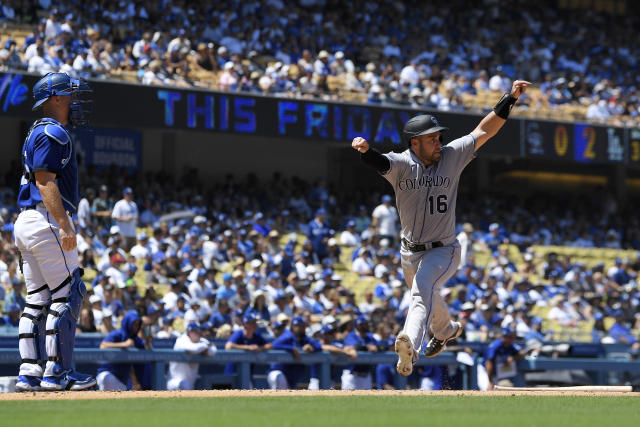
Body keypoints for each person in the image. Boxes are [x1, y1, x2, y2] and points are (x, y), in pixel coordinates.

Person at [352, 79, 531, 377]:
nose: (438, 142)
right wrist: (366, 151)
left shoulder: (452, 155)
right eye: (431, 139)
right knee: (428, 294)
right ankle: (446, 329)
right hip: (408, 252)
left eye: (438, 137)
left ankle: (409, 341)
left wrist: (509, 99)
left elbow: (484, 130)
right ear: (415, 143)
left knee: (421, 293)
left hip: (444, 249)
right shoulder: (400, 164)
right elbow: (379, 162)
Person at [12, 72, 96, 392]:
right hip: (46, 219)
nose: (75, 101)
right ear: (57, 99)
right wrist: (64, 224)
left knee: (36, 301)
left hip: (26, 221)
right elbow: (45, 179)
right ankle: (58, 372)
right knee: (66, 295)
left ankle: (30, 371)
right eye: (70, 95)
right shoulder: (53, 132)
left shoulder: (37, 130)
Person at [97, 310, 152, 390]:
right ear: (128, 323)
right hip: (107, 373)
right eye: (134, 324)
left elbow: (147, 352)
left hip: (122, 379)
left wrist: (147, 341)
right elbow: (103, 346)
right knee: (109, 379)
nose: (136, 326)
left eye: (138, 324)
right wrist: (124, 344)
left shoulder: (136, 339)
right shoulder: (117, 334)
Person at [268, 316, 322, 389]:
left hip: (292, 376)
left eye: (303, 326)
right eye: (300, 326)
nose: (303, 328)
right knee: (280, 379)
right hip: (278, 372)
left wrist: (312, 348)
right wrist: (291, 348)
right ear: (293, 327)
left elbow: (319, 345)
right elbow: (274, 345)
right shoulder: (288, 336)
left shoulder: (305, 339)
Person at [167, 322, 217, 390]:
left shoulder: (200, 341)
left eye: (200, 332)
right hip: (174, 382)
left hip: (190, 384)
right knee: (184, 385)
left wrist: (205, 348)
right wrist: (205, 347)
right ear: (190, 332)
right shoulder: (181, 340)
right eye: (197, 332)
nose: (199, 334)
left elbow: (213, 351)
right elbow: (193, 348)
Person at [341, 315, 379, 390]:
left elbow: (380, 346)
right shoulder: (352, 335)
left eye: (367, 324)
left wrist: (376, 348)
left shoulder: (369, 336)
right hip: (352, 375)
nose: (367, 326)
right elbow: (350, 347)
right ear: (359, 325)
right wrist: (366, 347)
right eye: (365, 324)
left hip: (366, 375)